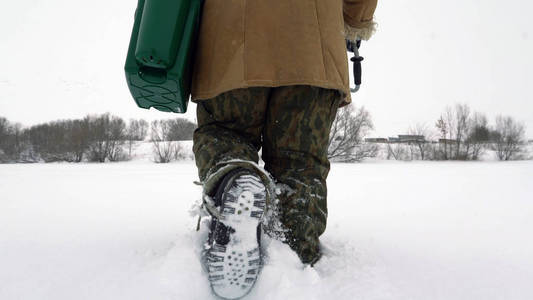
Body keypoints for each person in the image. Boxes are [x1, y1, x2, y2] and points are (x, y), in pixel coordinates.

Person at [190, 0, 377, 297]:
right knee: (299, 162)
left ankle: (235, 177)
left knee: (227, 133)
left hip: (230, 42)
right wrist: (354, 22)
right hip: (314, 45)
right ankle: (292, 257)